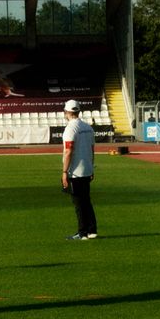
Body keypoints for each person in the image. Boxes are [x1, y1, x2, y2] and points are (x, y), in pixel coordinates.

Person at [62, 99, 97, 240]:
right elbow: (92, 149)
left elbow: (68, 151)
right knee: (86, 201)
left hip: (75, 171)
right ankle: (92, 230)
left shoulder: (70, 128)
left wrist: (64, 171)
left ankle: (82, 233)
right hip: (87, 169)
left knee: (78, 203)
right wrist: (91, 166)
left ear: (67, 112)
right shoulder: (88, 127)